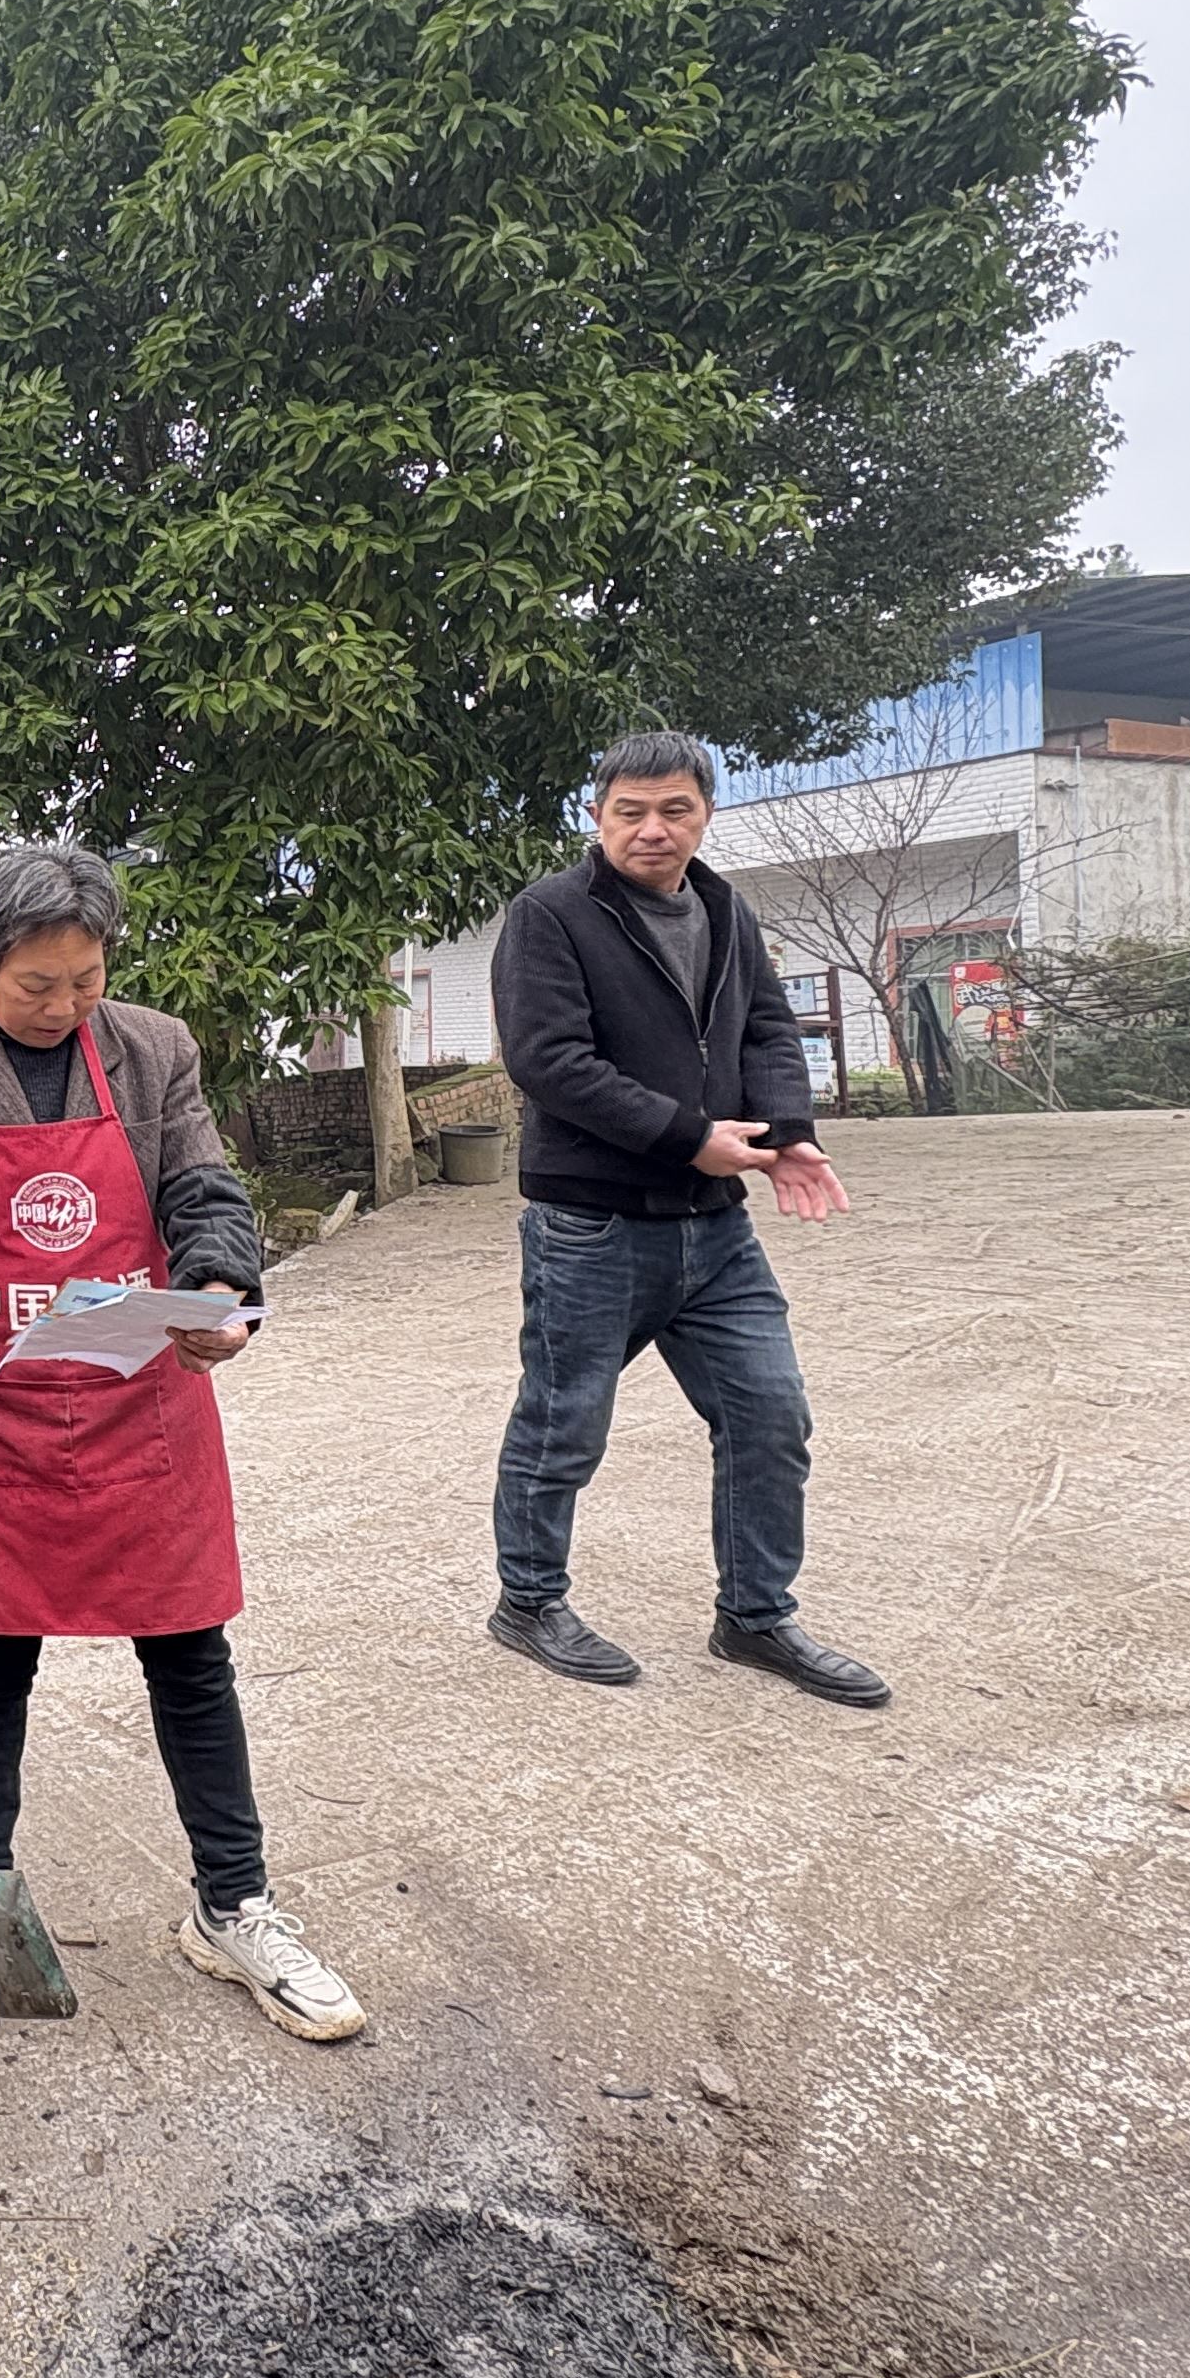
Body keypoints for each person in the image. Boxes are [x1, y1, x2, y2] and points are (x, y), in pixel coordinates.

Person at [0, 842, 367, 2045]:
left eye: (87, 979)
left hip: (139, 1405)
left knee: (190, 1655)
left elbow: (202, 1189)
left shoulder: (152, 1050)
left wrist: (221, 1288)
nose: (66, 1004)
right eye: (38, 985)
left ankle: (234, 1908)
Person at [482, 730, 888, 1706]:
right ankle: (528, 1603)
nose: (652, 830)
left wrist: (786, 1133)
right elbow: (548, 1061)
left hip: (715, 1227)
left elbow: (767, 1030)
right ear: (598, 815)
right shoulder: (550, 915)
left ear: (706, 815)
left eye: (675, 810)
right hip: (591, 1225)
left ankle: (755, 1616)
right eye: (630, 812)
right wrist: (687, 1135)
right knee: (564, 1422)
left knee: (769, 1413)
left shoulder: (724, 908)